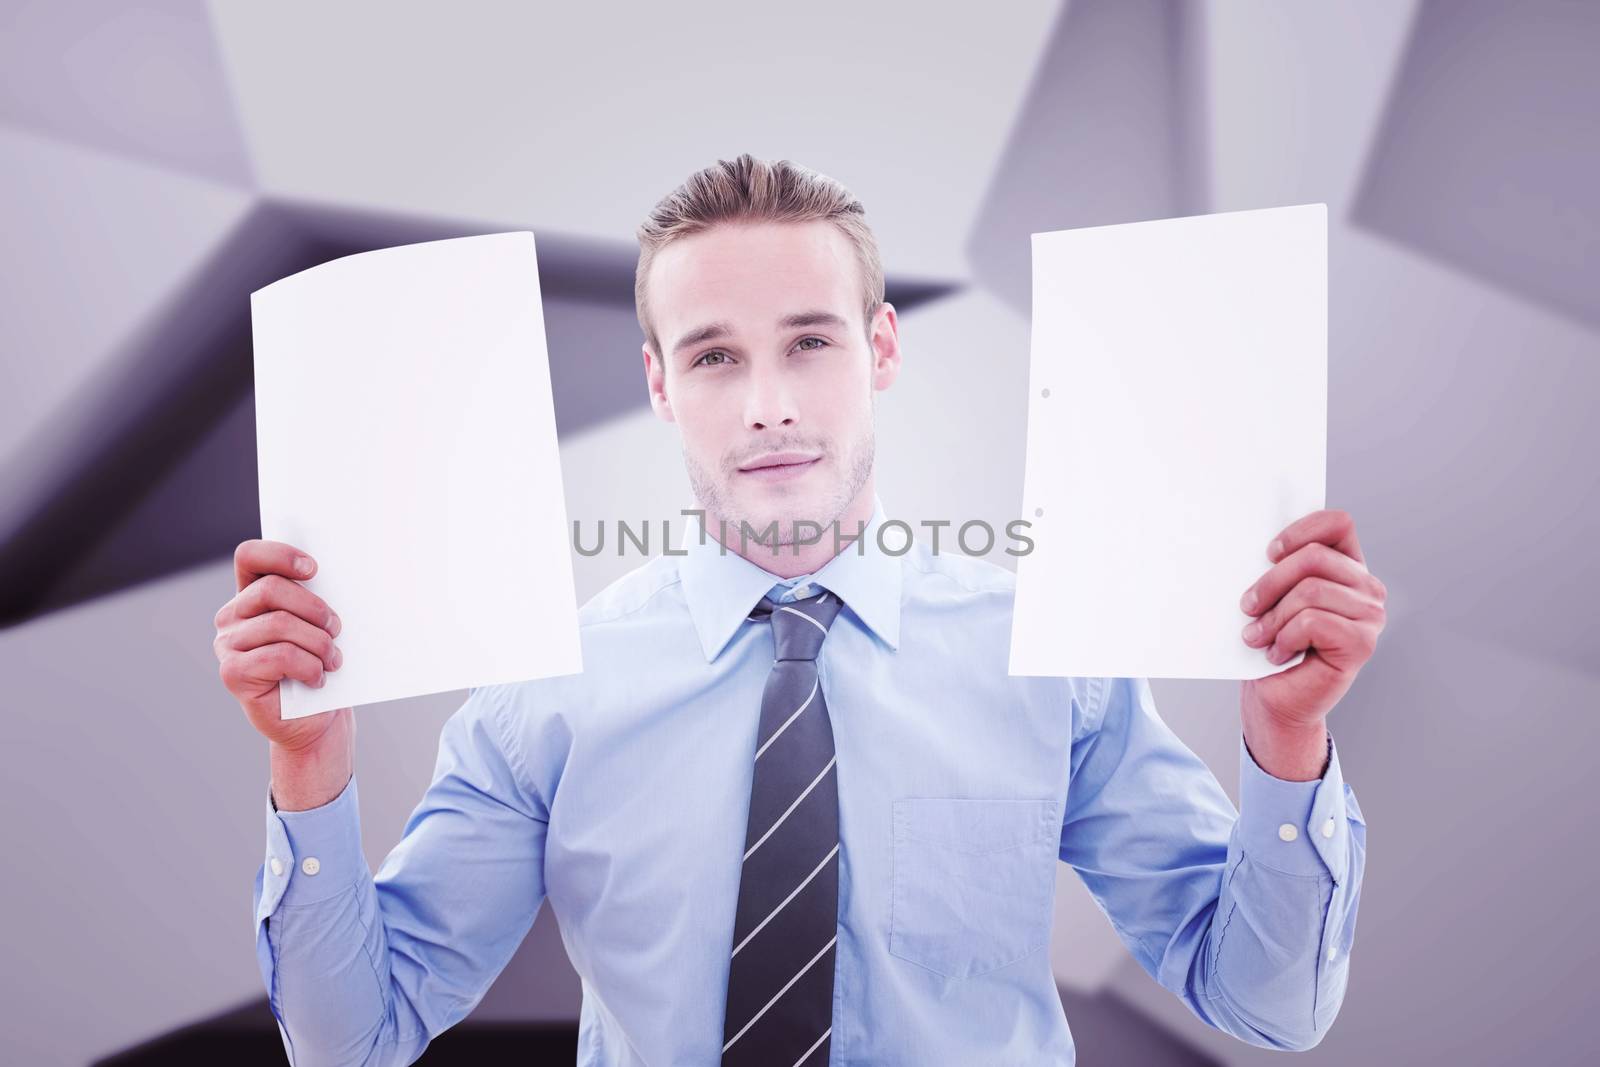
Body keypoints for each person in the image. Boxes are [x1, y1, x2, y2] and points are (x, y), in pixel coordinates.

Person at [213, 154, 1381, 1066]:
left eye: (808, 341)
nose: (768, 404)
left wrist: (1285, 741)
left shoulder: (1049, 657)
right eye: (715, 357)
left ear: (878, 347)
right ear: (660, 384)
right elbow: (357, 1036)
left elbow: (1266, 1004)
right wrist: (308, 759)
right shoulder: (547, 688)